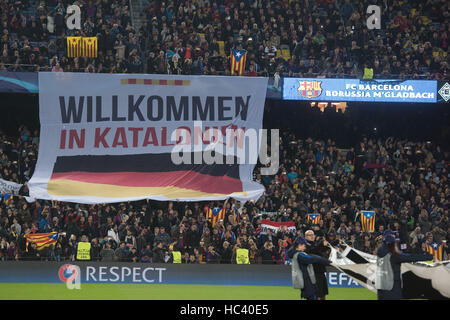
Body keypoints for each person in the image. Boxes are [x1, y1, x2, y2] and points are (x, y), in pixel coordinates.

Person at [376, 230, 433, 300]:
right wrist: (429, 257)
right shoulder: (394, 256)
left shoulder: (380, 252)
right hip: (392, 289)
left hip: (381, 288)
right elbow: (411, 257)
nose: (397, 243)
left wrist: (422, 240)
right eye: (395, 241)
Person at [305, 230, 330, 300]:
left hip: (321, 272)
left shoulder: (315, 244)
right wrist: (321, 244)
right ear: (305, 237)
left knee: (323, 295)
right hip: (313, 273)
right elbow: (313, 251)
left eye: (313, 235)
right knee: (317, 295)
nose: (312, 236)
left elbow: (322, 249)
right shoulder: (305, 245)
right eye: (310, 235)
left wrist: (335, 242)